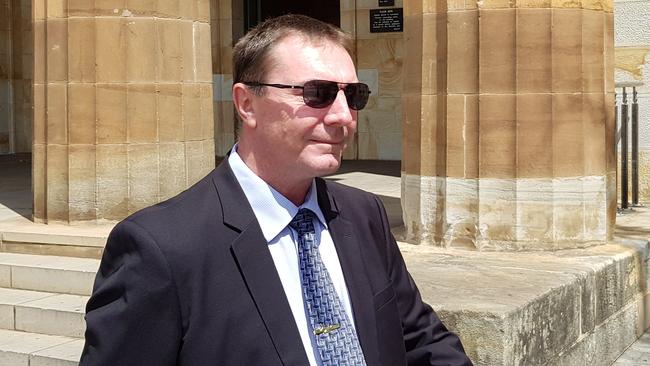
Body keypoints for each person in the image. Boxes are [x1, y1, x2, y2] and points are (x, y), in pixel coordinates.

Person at [80, 14, 472, 366]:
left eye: (353, 96)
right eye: (316, 93)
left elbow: (421, 339)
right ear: (247, 103)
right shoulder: (162, 248)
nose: (342, 117)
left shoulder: (364, 214)